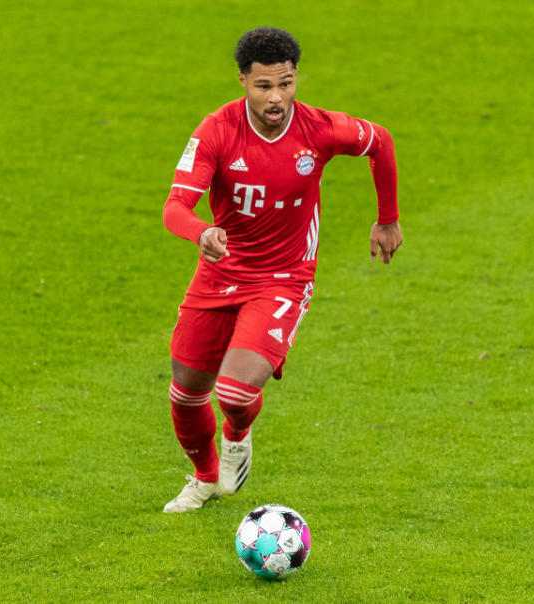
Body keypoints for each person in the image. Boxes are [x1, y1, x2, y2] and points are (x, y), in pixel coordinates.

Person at [161, 26, 402, 513]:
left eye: (286, 84)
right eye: (264, 86)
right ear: (242, 81)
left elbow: (381, 142)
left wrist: (388, 218)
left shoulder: (319, 129)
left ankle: (238, 433)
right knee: (186, 393)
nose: (277, 98)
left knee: (232, 390)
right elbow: (174, 208)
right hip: (220, 273)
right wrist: (201, 232)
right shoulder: (216, 131)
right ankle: (205, 479)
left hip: (284, 278)